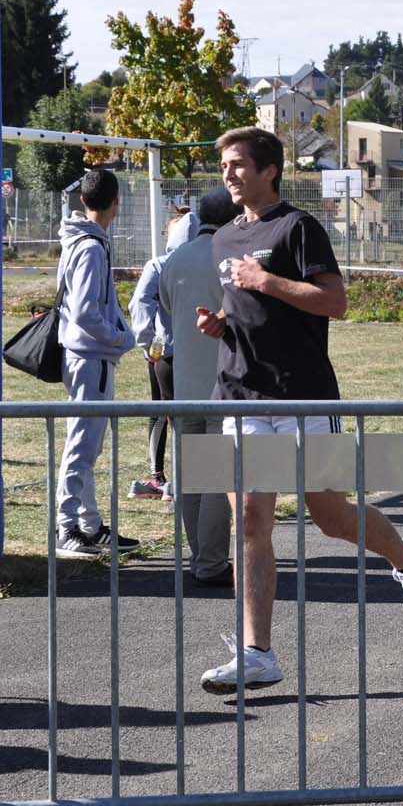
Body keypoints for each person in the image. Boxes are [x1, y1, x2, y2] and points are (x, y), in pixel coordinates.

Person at [195, 127, 403, 693]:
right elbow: (247, 311)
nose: (228, 175)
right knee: (252, 516)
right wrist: (220, 324)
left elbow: (335, 302)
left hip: (303, 397)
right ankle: (258, 653)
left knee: (328, 515)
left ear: (268, 170)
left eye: (236, 165)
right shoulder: (222, 237)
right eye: (224, 166)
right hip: (239, 394)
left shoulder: (299, 227)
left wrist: (268, 279)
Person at [54, 169, 140, 558]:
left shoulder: (79, 241)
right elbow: (87, 312)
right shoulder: (91, 247)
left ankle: (88, 523)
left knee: (87, 442)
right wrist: (121, 339)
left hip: (83, 355)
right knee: (82, 444)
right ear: (114, 202)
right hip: (91, 356)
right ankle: (68, 525)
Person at [158, 188, 236, 585]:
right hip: (223, 382)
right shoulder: (233, 258)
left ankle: (198, 556)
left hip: (184, 381)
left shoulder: (175, 259)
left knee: (190, 476)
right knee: (217, 478)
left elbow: (168, 311)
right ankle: (211, 561)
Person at [127, 210, 197, 501]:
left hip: (164, 355)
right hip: (202, 353)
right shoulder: (209, 264)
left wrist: (147, 345)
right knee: (198, 417)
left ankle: (163, 477)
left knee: (164, 413)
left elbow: (139, 305)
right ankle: (188, 476)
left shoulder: (159, 265)